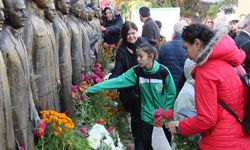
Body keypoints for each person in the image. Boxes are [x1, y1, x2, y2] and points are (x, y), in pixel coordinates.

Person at [166, 24, 250, 149]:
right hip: (242, 138)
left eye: (186, 48)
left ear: (197, 43)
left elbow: (206, 120)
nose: (185, 54)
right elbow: (234, 102)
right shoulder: (234, 64)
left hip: (219, 142)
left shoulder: (205, 71)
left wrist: (178, 126)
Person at [86, 42, 176, 149]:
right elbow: (118, 81)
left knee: (173, 143)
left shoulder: (163, 72)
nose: (137, 59)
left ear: (150, 56)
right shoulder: (136, 72)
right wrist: (91, 89)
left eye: (140, 56)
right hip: (146, 114)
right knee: (146, 143)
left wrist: (166, 110)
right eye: (137, 56)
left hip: (164, 114)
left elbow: (172, 92)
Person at [1, 0, 40, 149]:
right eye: (18, 11)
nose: (25, 14)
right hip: (14, 117)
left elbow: (25, 80)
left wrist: (33, 109)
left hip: (26, 111)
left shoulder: (19, 39)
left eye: (24, 10)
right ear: (7, 14)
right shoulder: (3, 44)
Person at [109, 21, 146, 150]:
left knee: (144, 118)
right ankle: (139, 143)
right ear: (124, 36)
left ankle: (143, 141)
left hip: (144, 88)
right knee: (136, 117)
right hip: (131, 91)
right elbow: (118, 70)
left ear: (137, 32)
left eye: (133, 33)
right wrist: (109, 82)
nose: (131, 36)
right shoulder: (122, 50)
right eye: (128, 34)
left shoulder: (143, 45)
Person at [159, 20, 187, 88]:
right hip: (184, 85)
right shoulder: (189, 47)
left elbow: (159, 66)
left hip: (168, 84)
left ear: (174, 31)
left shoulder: (164, 46)